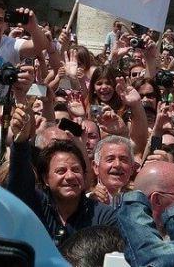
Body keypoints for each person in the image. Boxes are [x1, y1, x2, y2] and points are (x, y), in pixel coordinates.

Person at [7, 104, 117, 246]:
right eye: (61, 171)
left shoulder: (103, 216)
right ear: (46, 178)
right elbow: (19, 182)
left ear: (84, 176)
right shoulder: (35, 205)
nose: (70, 176)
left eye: (76, 170)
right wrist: (21, 141)